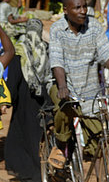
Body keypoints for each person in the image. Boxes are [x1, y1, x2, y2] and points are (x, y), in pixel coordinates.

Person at [48, 0, 109, 167]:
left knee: (99, 134)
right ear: (65, 10)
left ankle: (90, 159)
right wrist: (63, 85)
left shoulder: (94, 26)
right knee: (62, 110)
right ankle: (60, 148)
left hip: (89, 87)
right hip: (64, 84)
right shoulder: (57, 29)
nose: (83, 11)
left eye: (84, 6)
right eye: (77, 7)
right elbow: (56, 60)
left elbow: (106, 54)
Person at [4, 19, 50, 182]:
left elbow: (13, 80)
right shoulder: (47, 50)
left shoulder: (20, 52)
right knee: (40, 135)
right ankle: (46, 168)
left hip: (25, 101)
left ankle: (28, 170)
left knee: (23, 135)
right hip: (45, 100)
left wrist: (8, 100)